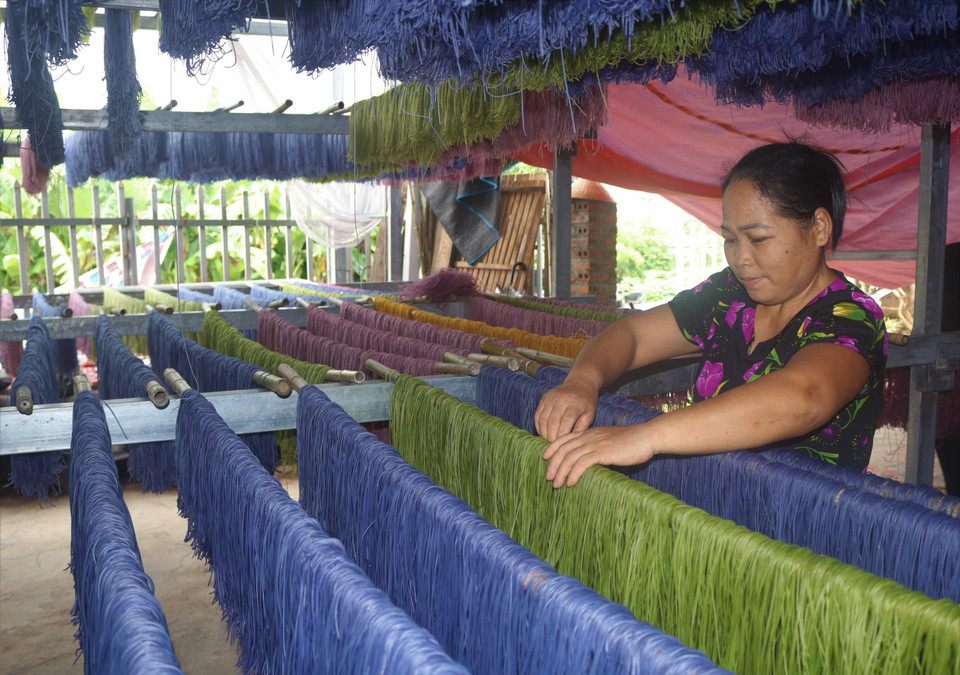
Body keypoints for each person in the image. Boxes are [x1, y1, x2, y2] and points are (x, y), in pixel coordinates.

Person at [536, 142, 888, 488]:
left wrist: (646, 437)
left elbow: (806, 396)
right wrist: (583, 381)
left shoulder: (853, 317)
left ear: (819, 228)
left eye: (758, 239)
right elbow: (634, 336)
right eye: (730, 239)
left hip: (796, 534)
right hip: (708, 520)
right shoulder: (729, 295)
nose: (741, 259)